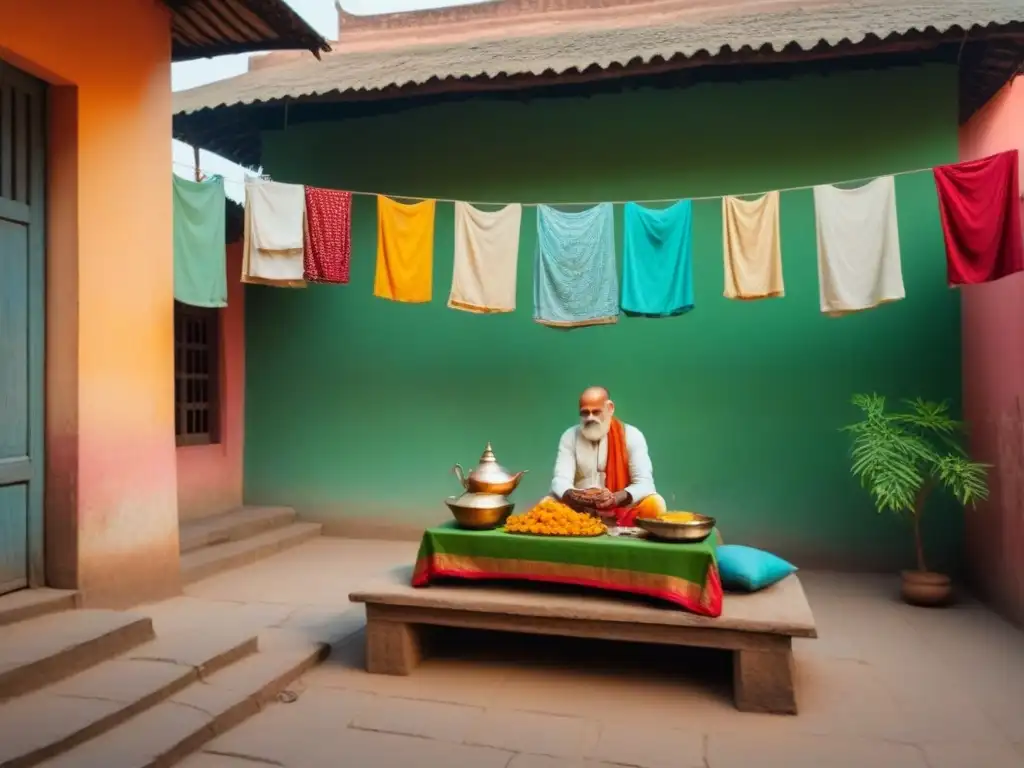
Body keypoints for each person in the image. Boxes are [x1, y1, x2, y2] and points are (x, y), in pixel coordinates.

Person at [550, 386, 667, 526]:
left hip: (620, 509)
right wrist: (580, 497)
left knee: (655, 504)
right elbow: (560, 481)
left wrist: (616, 498)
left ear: (610, 408)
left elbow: (645, 483)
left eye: (596, 412)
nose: (590, 418)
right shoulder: (570, 436)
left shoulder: (631, 435)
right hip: (579, 510)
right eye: (585, 413)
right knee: (547, 504)